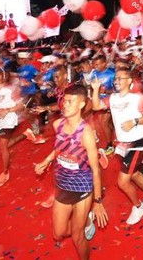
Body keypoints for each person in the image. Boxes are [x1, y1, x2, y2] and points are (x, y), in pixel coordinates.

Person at [34, 85, 108, 259]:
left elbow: (96, 171)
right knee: (58, 233)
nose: (64, 105)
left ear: (81, 105)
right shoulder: (57, 124)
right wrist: (47, 160)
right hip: (61, 184)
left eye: (69, 101)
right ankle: (86, 222)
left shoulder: (86, 134)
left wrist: (98, 202)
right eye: (64, 101)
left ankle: (82, 230)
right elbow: (60, 148)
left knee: (77, 236)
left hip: (82, 187)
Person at [90, 67, 143, 225]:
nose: (116, 81)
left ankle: (138, 206)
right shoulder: (113, 98)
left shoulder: (137, 99)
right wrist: (95, 90)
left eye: (120, 78)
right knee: (134, 174)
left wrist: (134, 122)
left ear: (129, 81)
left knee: (123, 182)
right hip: (122, 144)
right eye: (116, 78)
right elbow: (96, 106)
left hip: (136, 143)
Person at [0, 67, 26, 187]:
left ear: (0, 76)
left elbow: (21, 105)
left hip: (10, 119)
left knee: (2, 145)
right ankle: (25, 135)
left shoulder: (10, 90)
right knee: (2, 145)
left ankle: (5, 172)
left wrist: (7, 110)